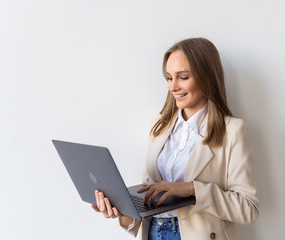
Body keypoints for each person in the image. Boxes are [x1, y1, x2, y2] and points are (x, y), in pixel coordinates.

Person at [90, 38, 259, 240]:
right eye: (169, 78)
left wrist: (192, 189)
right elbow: (148, 197)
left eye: (183, 77)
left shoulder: (232, 131)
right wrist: (121, 211)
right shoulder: (158, 126)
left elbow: (248, 208)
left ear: (207, 77)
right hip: (154, 232)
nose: (173, 87)